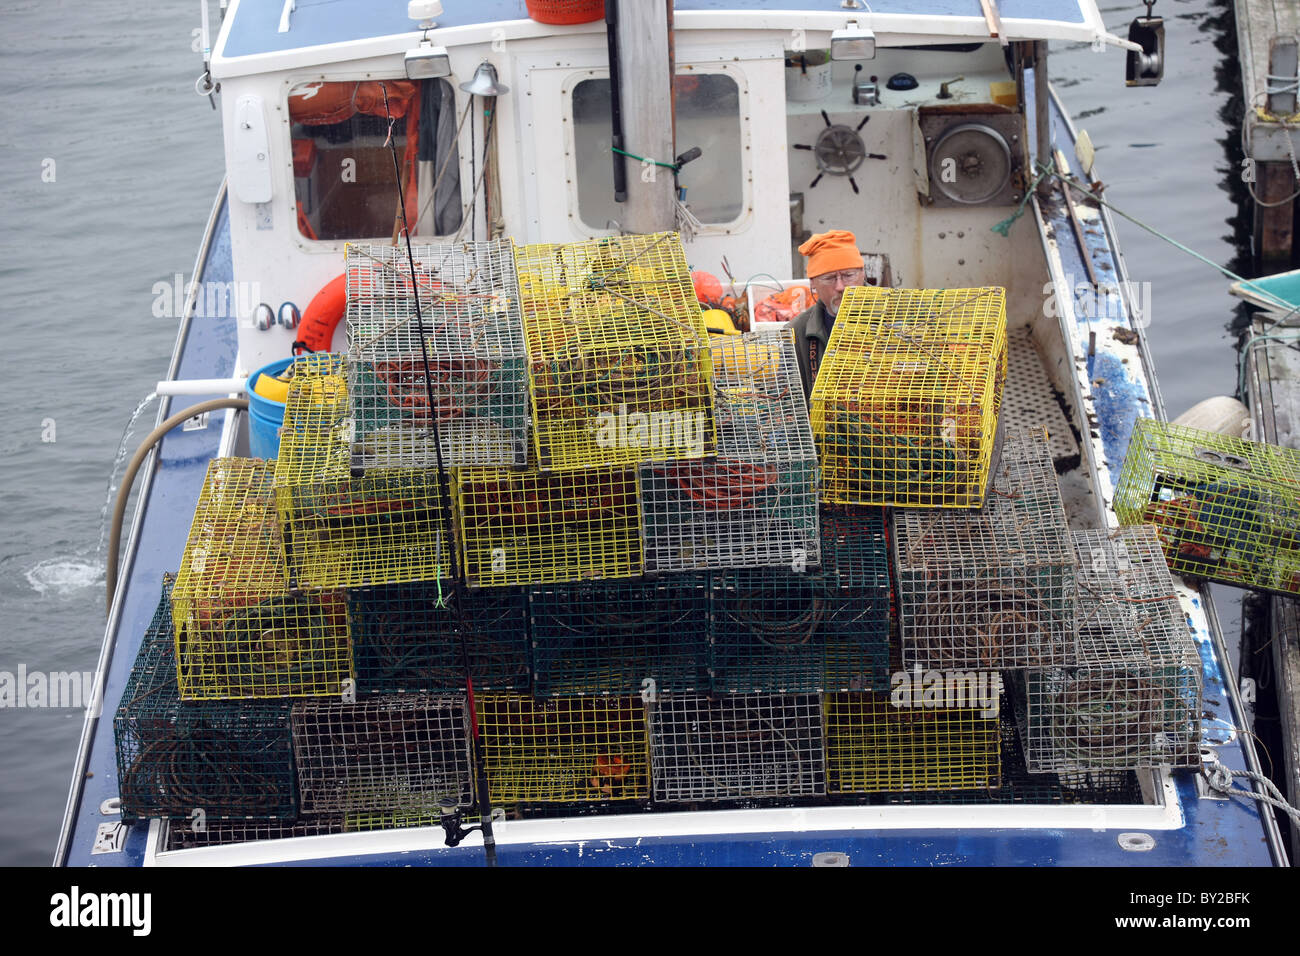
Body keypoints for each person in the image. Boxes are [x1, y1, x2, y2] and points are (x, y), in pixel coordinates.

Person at [790, 230, 866, 400]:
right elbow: (790, 401)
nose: (840, 286)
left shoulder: (895, 316)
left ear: (863, 273)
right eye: (829, 278)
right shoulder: (795, 333)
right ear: (813, 282)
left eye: (848, 275)